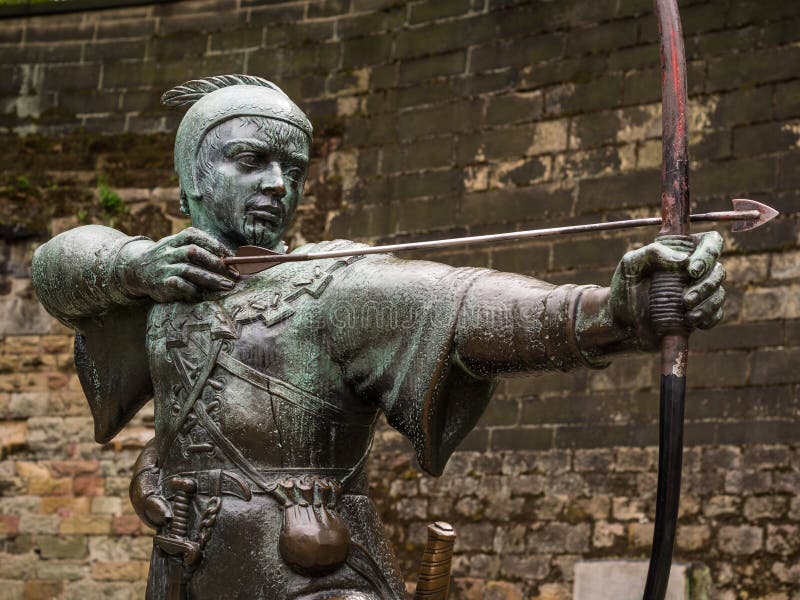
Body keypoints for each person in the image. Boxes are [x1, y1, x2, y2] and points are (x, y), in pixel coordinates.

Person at [31, 75, 726, 600]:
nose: (279, 184)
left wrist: (613, 313)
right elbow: (57, 268)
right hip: (186, 564)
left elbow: (464, 306)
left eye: (293, 170)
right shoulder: (159, 284)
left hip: (308, 573)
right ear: (193, 174)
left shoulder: (334, 284)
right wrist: (136, 264)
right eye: (250, 160)